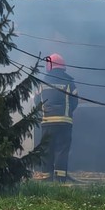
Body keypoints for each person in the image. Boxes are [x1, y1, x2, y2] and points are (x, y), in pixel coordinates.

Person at [39, 53, 79, 182]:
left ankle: (46, 177)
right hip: (64, 122)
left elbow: (36, 101)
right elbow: (75, 101)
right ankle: (61, 178)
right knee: (62, 149)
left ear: (49, 66)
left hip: (47, 122)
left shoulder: (42, 81)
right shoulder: (69, 82)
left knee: (47, 149)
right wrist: (67, 112)